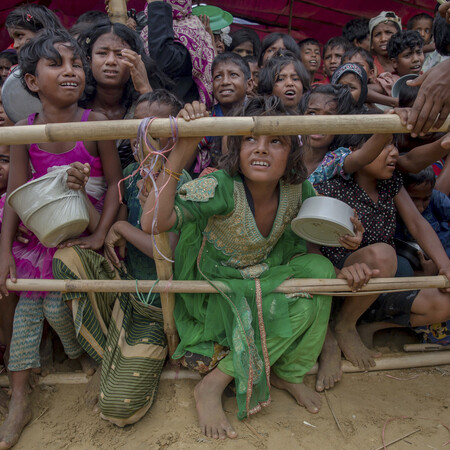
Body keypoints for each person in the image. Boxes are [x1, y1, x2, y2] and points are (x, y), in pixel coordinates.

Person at [140, 96, 374, 439]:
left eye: (275, 141)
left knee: (321, 269)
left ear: (291, 153)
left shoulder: (297, 189)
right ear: (235, 146)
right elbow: (152, 222)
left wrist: (349, 239)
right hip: (215, 292)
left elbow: (318, 234)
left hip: (261, 274)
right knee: (287, 299)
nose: (261, 149)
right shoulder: (220, 185)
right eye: (250, 138)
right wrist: (183, 149)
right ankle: (212, 385)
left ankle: (288, 373)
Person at [0, 29, 123, 449]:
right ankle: (19, 396)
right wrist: (5, 252)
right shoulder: (23, 130)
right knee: (29, 308)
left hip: (83, 228)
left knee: (57, 306)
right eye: (56, 64)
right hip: (41, 234)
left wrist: (101, 234)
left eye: (75, 64)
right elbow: (16, 197)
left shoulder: (96, 124)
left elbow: (115, 187)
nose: (70, 72)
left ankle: (76, 351)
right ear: (32, 81)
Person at [52, 90, 185, 428]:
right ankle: (108, 356)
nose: (149, 142)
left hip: (159, 304)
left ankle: (118, 361)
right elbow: (106, 230)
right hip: (126, 291)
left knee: (118, 409)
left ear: (176, 137)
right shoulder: (130, 173)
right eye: (142, 132)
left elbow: (165, 250)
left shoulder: (184, 184)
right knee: (68, 258)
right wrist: (79, 192)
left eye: (160, 134)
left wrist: (124, 228)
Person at [315, 136, 450, 374]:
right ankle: (342, 324)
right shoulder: (332, 185)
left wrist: (445, 264)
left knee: (443, 303)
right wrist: (336, 271)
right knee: (384, 254)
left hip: (376, 285)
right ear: (355, 151)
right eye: (384, 146)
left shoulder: (390, 183)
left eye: (394, 145)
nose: (393, 153)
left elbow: (417, 224)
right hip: (342, 280)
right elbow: (309, 243)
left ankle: (367, 325)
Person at [79, 21, 167, 168]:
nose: (111, 61)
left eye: (120, 54)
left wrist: (145, 88)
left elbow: (162, 151)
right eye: (102, 53)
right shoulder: (76, 105)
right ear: (89, 60)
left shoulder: (139, 104)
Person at [141, 0, 215, 106]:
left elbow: (164, 61)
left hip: (181, 114)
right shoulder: (146, 30)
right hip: (147, 113)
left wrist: (157, 6)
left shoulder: (192, 28)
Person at [397, 167, 450, 259]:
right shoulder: (389, 211)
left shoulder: (437, 199)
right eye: (413, 199)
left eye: (425, 199)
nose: (420, 208)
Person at [369, 30, 425, 106]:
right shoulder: (390, 81)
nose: (416, 59)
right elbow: (365, 91)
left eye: (419, 52)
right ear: (394, 62)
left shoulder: (427, 78)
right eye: (407, 55)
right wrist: (395, 102)